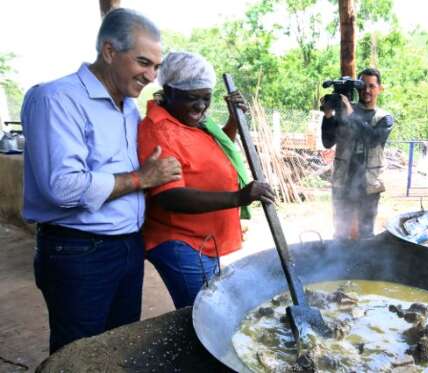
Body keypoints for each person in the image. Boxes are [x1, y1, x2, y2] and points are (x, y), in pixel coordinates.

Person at [21, 8, 182, 353]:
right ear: (109, 51)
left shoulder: (126, 106)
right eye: (143, 62)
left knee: (119, 346)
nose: (151, 75)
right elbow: (63, 187)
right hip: (79, 251)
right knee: (79, 353)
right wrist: (142, 178)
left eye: (156, 66)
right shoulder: (57, 98)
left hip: (125, 245)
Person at [137, 52, 275, 309]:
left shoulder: (191, 123)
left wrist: (234, 122)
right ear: (169, 91)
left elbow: (213, 152)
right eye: (192, 98)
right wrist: (239, 197)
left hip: (202, 239)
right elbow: (169, 196)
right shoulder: (159, 130)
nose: (201, 106)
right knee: (203, 313)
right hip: (181, 241)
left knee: (206, 309)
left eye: (206, 97)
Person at [321, 68, 394, 240]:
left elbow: (372, 139)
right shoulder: (344, 111)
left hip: (369, 184)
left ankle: (365, 265)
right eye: (362, 86)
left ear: (379, 89)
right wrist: (328, 115)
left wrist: (351, 113)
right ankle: (338, 264)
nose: (366, 90)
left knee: (366, 233)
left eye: (371, 86)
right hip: (343, 181)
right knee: (340, 232)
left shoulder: (384, 118)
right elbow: (328, 142)